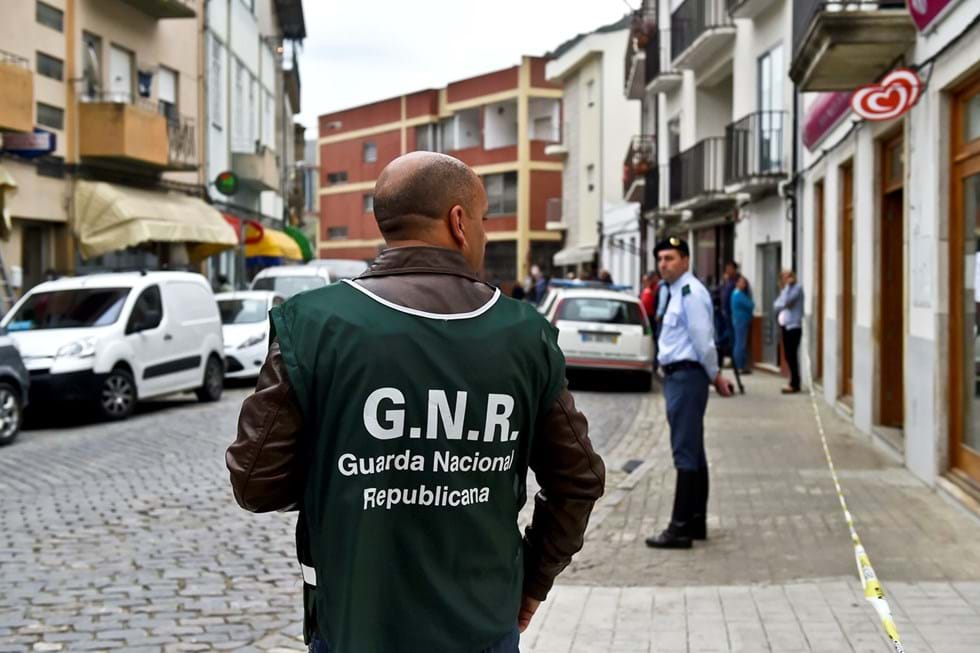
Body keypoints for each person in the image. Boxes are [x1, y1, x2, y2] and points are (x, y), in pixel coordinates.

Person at [226, 152, 606, 653]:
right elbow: (578, 480)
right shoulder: (523, 334)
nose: (485, 234)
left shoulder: (313, 324)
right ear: (458, 222)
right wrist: (532, 582)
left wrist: (355, 475)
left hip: (353, 622)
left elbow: (256, 482)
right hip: (482, 622)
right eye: (484, 219)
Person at [646, 237, 733, 550]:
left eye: (670, 258)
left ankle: (679, 528)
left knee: (684, 452)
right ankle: (696, 520)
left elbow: (703, 339)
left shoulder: (690, 292)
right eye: (660, 259)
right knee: (694, 449)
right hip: (679, 377)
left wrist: (715, 375)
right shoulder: (671, 292)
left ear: (685, 260)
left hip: (687, 376)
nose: (663, 264)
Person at [774, 269, 804, 394]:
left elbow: (786, 302)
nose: (786, 279)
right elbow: (776, 305)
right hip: (785, 326)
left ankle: (795, 384)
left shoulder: (796, 289)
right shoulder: (785, 290)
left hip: (794, 326)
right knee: (787, 355)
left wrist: (786, 288)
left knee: (792, 355)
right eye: (784, 277)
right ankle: (793, 381)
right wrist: (784, 295)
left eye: (788, 276)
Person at [731, 276, 754, 374]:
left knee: (739, 342)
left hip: (738, 320)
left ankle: (739, 365)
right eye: (742, 282)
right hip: (741, 320)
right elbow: (751, 305)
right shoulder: (739, 295)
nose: (744, 285)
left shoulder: (734, 294)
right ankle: (740, 366)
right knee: (741, 343)